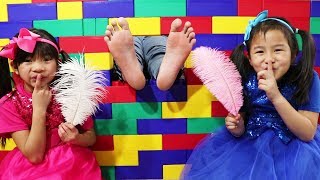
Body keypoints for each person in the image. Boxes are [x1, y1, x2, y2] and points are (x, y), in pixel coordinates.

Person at [181, 10, 320, 179]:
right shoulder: (246, 77)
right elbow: (241, 123)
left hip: (294, 150)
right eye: (260, 52)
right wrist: (237, 128)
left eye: (278, 50)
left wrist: (275, 96)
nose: (269, 59)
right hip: (250, 145)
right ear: (250, 59)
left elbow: (307, 133)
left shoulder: (307, 78)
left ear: (293, 53)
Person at [0, 28, 102, 179]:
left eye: (46, 59)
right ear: (15, 66)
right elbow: (34, 156)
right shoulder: (9, 103)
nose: (38, 68)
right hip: (30, 169)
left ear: (58, 63)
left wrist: (77, 138)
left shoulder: (70, 93)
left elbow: (91, 137)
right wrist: (39, 109)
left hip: (73, 164)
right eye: (28, 61)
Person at [104, 18, 196, 91]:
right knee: (159, 51)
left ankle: (131, 71)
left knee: (133, 51)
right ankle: (163, 68)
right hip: (154, 35)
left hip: (132, 35)